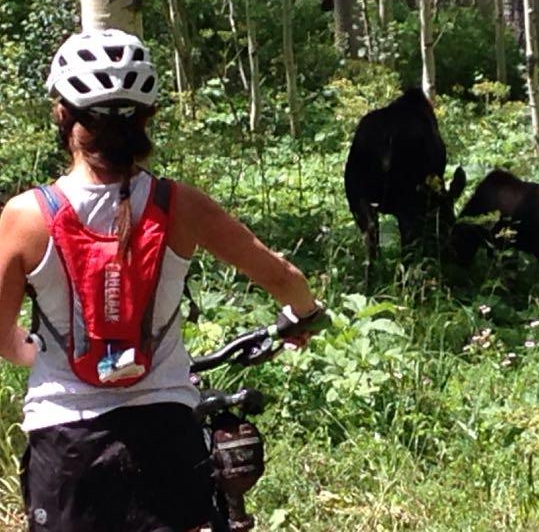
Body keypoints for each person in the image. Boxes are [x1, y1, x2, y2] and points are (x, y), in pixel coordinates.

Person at [0, 29, 323, 531]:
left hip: (66, 444)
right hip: (166, 435)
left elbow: (1, 334)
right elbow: (283, 276)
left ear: (61, 114)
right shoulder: (181, 206)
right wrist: (304, 314)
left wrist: (35, 352)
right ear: (147, 117)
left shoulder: (26, 216)